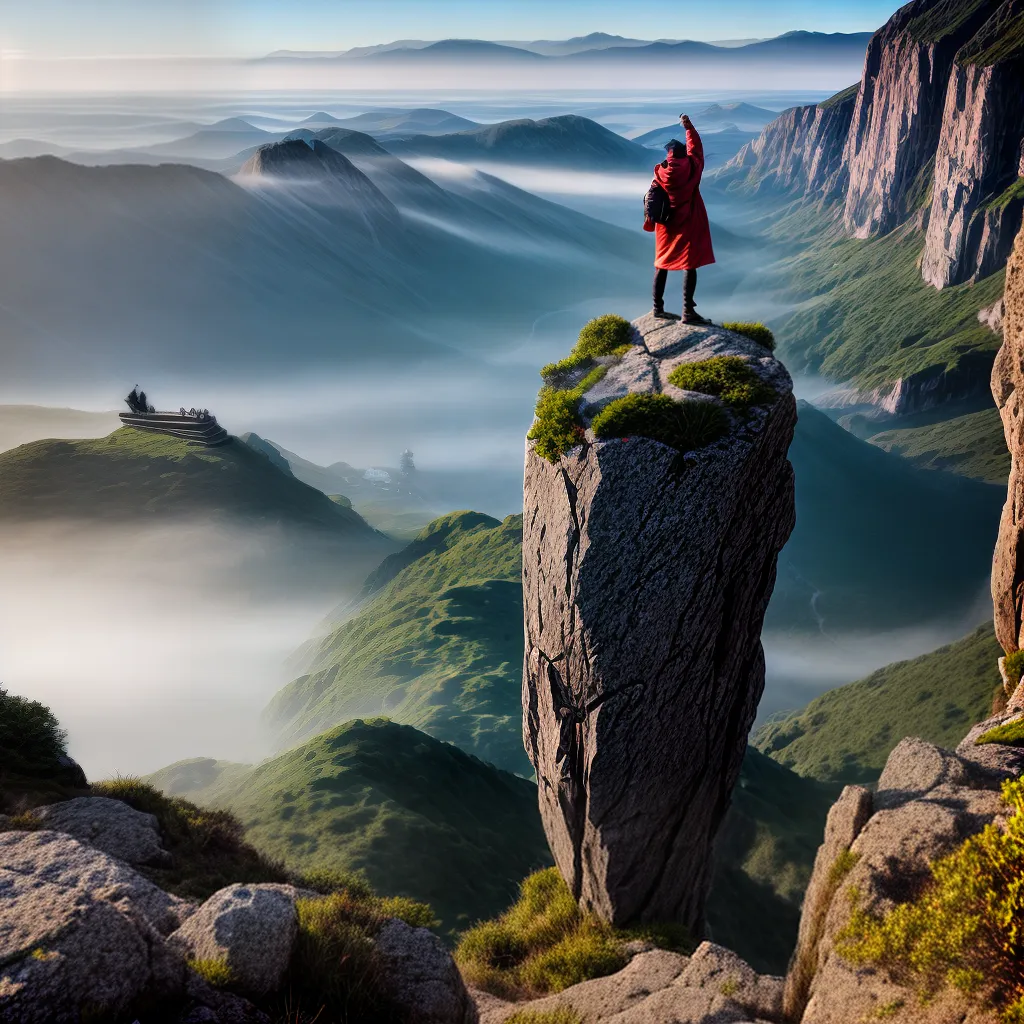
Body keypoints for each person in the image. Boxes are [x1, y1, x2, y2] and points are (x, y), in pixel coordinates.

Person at [644, 114, 715, 324]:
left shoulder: (660, 172)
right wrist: (689, 127)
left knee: (661, 265)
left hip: (665, 226)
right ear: (684, 155)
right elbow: (697, 150)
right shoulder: (692, 168)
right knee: (689, 265)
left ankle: (657, 308)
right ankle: (688, 311)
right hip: (688, 223)